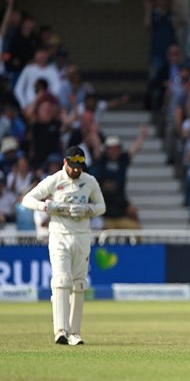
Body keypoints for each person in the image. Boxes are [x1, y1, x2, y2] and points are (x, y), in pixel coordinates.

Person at [21, 146, 106, 345]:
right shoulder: (55, 180)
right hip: (59, 236)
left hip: (82, 237)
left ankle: (74, 333)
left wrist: (87, 210)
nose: (77, 171)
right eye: (74, 167)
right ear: (65, 162)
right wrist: (46, 206)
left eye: (80, 167)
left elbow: (101, 207)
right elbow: (27, 199)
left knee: (78, 283)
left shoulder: (89, 181)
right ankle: (61, 331)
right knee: (61, 280)